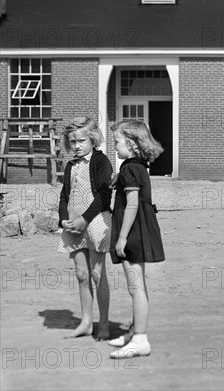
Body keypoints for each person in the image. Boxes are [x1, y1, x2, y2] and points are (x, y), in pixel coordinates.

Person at [107, 120, 165, 358]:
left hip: (132, 232)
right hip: (139, 228)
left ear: (131, 144)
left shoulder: (130, 169)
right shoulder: (136, 167)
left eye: (117, 142)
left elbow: (132, 205)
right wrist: (118, 178)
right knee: (137, 285)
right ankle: (134, 331)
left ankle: (140, 339)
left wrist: (121, 238)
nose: (115, 147)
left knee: (135, 286)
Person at [58, 116, 112, 340]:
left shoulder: (101, 161)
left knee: (97, 274)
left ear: (92, 139)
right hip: (73, 224)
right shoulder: (70, 165)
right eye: (72, 142)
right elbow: (64, 196)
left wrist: (85, 219)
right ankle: (86, 322)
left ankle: (105, 324)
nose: (77, 146)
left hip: (96, 221)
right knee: (82, 275)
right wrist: (63, 219)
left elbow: (104, 194)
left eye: (81, 141)